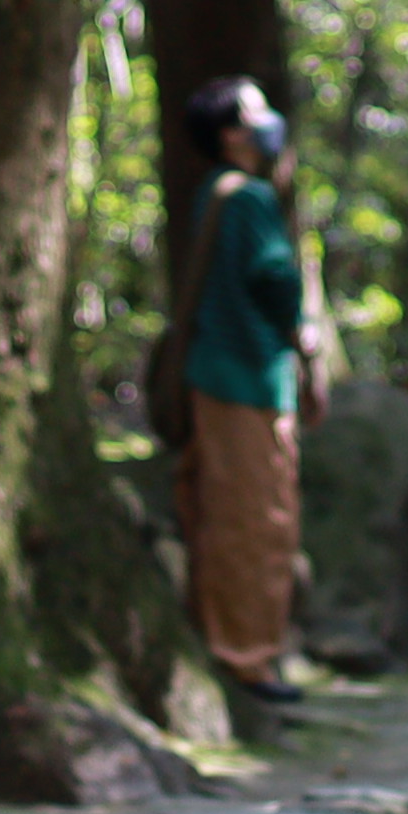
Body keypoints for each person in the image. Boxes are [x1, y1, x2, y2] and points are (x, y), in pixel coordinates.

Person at [164, 74, 322, 708]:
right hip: (245, 379)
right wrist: (303, 337)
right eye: (256, 112)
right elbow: (275, 278)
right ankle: (246, 658)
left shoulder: (216, 194)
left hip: (224, 376)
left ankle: (234, 645)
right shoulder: (249, 198)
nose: (269, 121)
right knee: (255, 523)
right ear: (232, 134)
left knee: (231, 517)